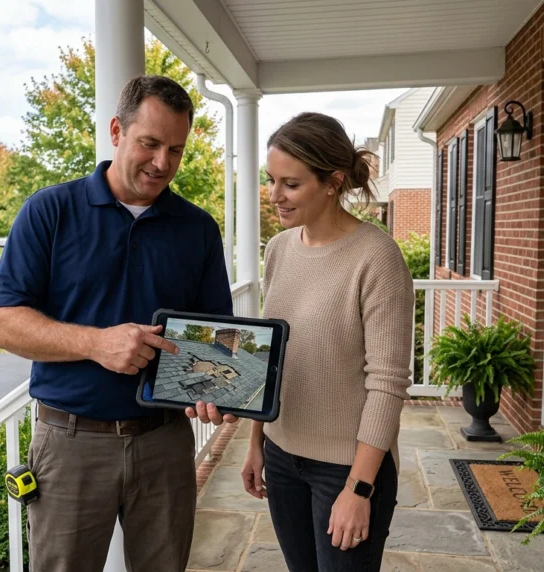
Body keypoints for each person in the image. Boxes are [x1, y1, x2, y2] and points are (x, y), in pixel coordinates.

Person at [0, 75, 234, 572]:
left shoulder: (198, 228)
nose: (163, 162)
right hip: (70, 442)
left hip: (166, 442)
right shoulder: (49, 211)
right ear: (117, 131)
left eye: (177, 149)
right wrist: (97, 343)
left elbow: (218, 338)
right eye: (150, 143)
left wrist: (222, 391)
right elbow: (4, 325)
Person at [226, 111, 414, 571]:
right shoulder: (279, 250)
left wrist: (359, 488)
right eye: (271, 181)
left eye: (290, 184)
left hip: (345, 470)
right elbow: (271, 357)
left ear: (332, 182)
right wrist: (257, 441)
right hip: (282, 456)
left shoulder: (377, 257)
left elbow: (387, 385)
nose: (275, 196)